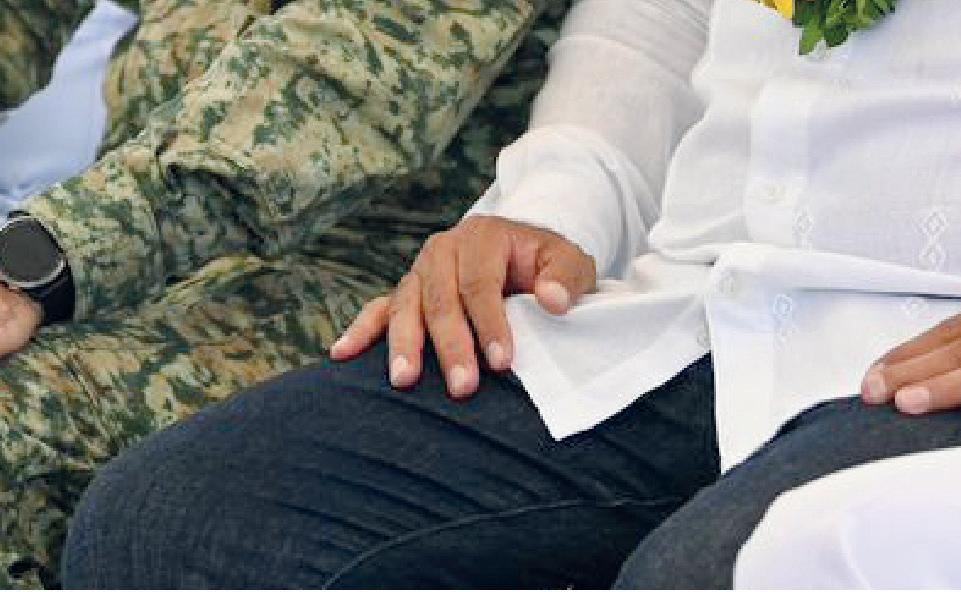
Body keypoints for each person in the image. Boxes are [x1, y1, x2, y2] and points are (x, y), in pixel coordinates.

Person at [56, 0, 961, 588]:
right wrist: (548, 209)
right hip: (688, 306)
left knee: (706, 577)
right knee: (177, 523)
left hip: (924, 345)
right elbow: (651, 27)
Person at [0, 0, 575, 587]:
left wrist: (39, 260)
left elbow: (325, 91)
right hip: (131, 261)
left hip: (378, 292)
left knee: (16, 417)